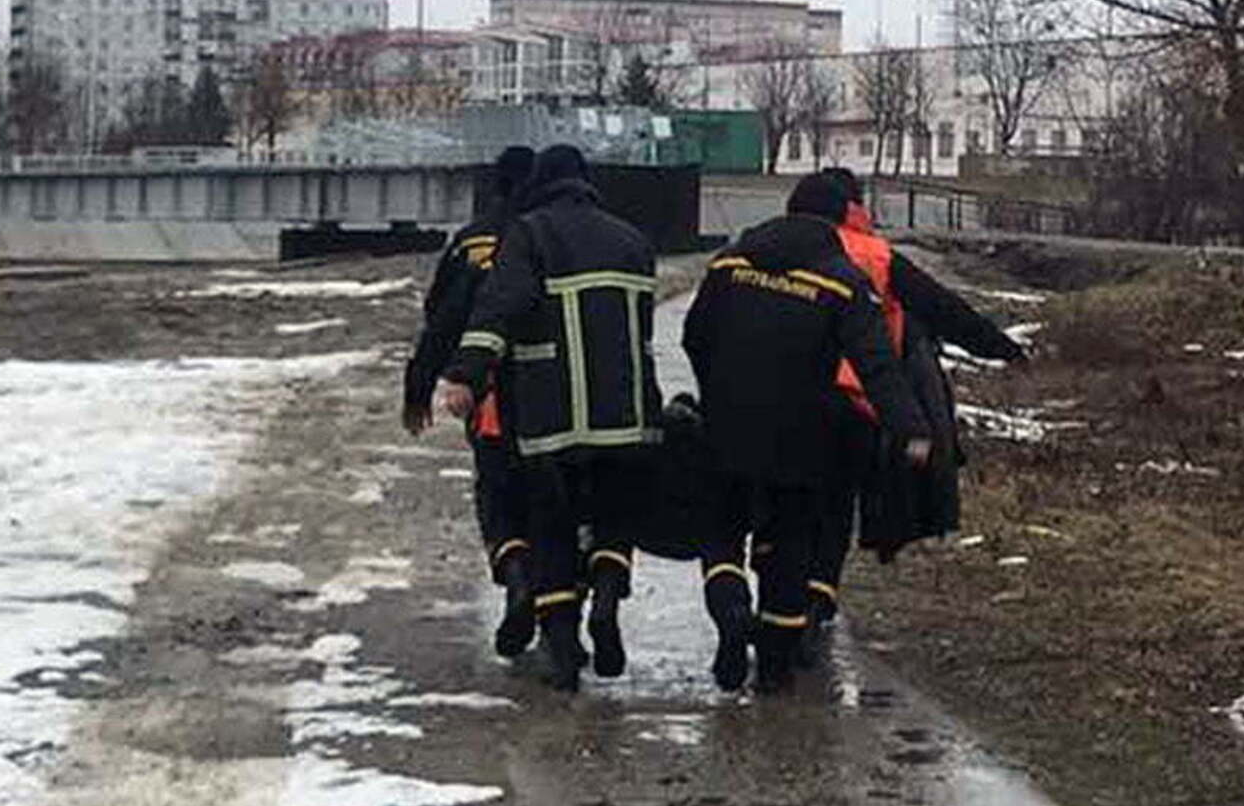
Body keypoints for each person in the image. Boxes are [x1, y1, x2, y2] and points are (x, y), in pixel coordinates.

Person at [682, 172, 930, 693]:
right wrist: (909, 427)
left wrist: (720, 391)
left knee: (724, 535)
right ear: (838, 220)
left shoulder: (729, 263)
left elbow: (695, 335)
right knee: (787, 542)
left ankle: (730, 616)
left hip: (726, 428)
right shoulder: (840, 280)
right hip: (801, 436)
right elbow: (876, 362)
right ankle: (774, 665)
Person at [439, 145, 661, 692]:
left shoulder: (530, 234)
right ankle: (606, 599)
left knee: (551, 524)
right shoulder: (633, 240)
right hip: (625, 414)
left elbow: (500, 307)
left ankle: (562, 646)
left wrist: (466, 373)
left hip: (549, 414)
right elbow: (643, 330)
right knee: (613, 514)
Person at [809, 167, 1027, 631]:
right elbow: (944, 310)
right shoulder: (877, 257)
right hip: (860, 396)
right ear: (854, 207)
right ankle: (818, 593)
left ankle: (783, 597)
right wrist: (1002, 348)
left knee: (796, 501)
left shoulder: (781, 250)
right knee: (837, 500)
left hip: (792, 393)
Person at [402, 146, 538, 658]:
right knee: (552, 499)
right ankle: (556, 605)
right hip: (553, 394)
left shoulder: (470, 242)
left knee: (498, 494)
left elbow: (441, 315)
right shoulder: (549, 237)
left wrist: (421, 384)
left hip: (486, 395)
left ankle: (516, 575)